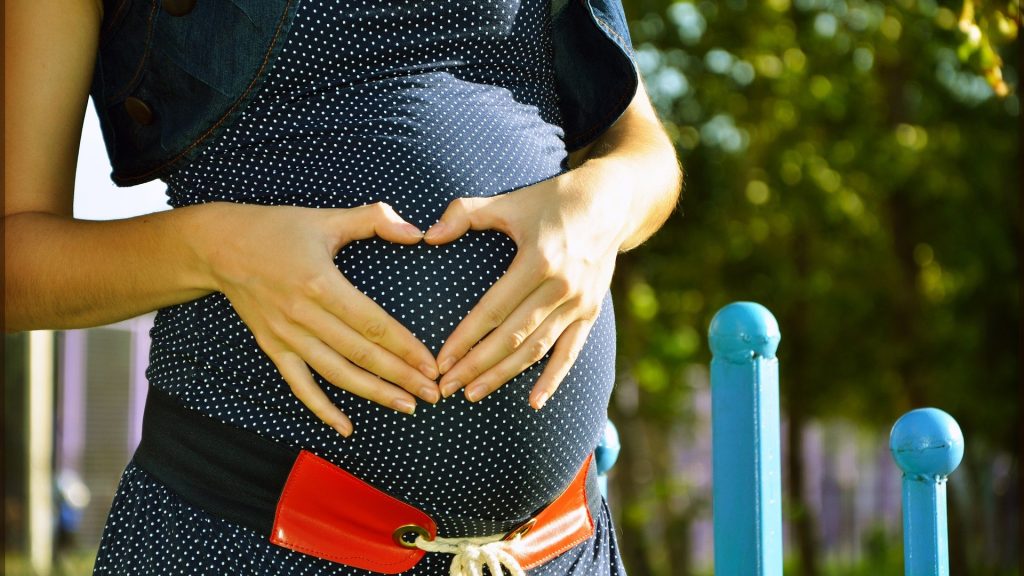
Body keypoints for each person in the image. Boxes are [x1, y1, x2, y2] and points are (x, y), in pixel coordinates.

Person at [5, 0, 683, 574]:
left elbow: (642, 149)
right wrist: (214, 248)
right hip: (241, 542)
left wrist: (606, 202)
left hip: (560, 549)